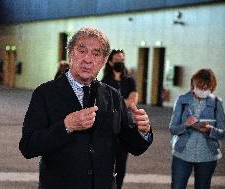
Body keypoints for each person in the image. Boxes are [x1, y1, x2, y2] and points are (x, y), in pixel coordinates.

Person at [19, 27, 153, 189]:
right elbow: (28, 146)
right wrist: (66, 126)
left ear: (103, 62)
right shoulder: (45, 93)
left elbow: (134, 146)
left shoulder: (113, 96)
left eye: (96, 54)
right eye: (82, 51)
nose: (88, 59)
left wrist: (143, 131)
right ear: (70, 54)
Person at [169, 69, 224, 189]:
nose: (202, 90)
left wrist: (210, 130)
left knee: (203, 186)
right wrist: (186, 124)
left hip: (208, 155)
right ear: (193, 84)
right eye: (200, 87)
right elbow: (173, 128)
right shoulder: (182, 100)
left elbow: (222, 132)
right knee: (177, 186)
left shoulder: (217, 103)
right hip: (182, 153)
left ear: (212, 87)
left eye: (206, 88)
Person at [102, 49, 138, 189]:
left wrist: (115, 102)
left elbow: (133, 100)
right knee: (106, 163)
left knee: (121, 165)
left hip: (125, 128)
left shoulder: (130, 81)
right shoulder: (104, 82)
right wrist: (124, 101)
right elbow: (104, 104)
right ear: (110, 62)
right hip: (108, 129)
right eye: (117, 60)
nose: (120, 62)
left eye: (122, 60)